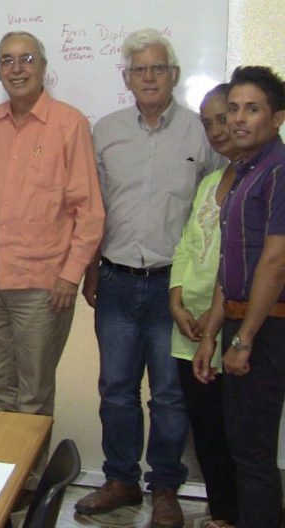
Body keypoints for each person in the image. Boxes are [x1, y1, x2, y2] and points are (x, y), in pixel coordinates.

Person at [75, 28, 221, 527]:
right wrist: (90, 269)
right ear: (127, 78)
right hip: (115, 280)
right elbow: (94, 209)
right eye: (140, 69)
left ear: (174, 75)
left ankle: (165, 487)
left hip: (173, 289)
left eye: (158, 68)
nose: (150, 77)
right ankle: (120, 479)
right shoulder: (106, 130)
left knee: (169, 394)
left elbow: (216, 211)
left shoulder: (202, 134)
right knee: (115, 387)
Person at [0, 31, 104, 420]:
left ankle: (26, 481)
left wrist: (70, 275)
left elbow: (90, 211)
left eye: (26, 59)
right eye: (7, 60)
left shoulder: (69, 124)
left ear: (43, 68)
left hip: (43, 287)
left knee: (32, 394)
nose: (17, 68)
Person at [194, 65, 285, 528]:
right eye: (233, 109)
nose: (238, 119)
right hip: (235, 320)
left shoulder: (278, 172)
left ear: (277, 118)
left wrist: (245, 338)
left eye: (252, 109)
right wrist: (211, 334)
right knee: (240, 443)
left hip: (267, 326)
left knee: (252, 452)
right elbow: (228, 267)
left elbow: (275, 261)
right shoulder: (242, 173)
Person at [168, 84, 238, 528]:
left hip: (224, 324)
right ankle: (220, 513)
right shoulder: (212, 180)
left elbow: (239, 265)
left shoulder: (259, 180)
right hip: (188, 324)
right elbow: (188, 244)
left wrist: (212, 327)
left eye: (223, 118)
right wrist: (175, 300)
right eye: (208, 122)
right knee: (206, 430)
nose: (216, 130)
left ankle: (233, 515)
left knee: (235, 432)